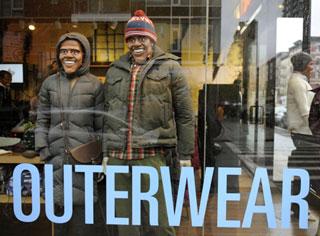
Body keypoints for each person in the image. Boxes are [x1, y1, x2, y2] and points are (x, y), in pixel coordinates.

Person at [103, 10, 194, 236]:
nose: (136, 43)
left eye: (141, 37)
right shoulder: (115, 69)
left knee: (161, 223)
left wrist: (185, 155)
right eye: (131, 39)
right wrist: (106, 153)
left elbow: (185, 115)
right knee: (125, 224)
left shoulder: (171, 68)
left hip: (152, 156)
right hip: (118, 158)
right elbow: (106, 112)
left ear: (152, 39)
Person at [35, 32, 105, 235]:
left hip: (84, 161)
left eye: (75, 51)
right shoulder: (49, 84)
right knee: (59, 223)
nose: (69, 55)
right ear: (58, 55)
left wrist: (98, 156)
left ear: (84, 55)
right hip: (55, 159)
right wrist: (43, 149)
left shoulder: (95, 84)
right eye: (64, 51)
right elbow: (42, 119)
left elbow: (101, 125)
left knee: (83, 223)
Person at [287, 52, 315, 148]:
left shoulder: (299, 81)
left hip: (304, 133)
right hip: (304, 135)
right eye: (311, 64)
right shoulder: (297, 82)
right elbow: (305, 112)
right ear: (303, 65)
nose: (312, 68)